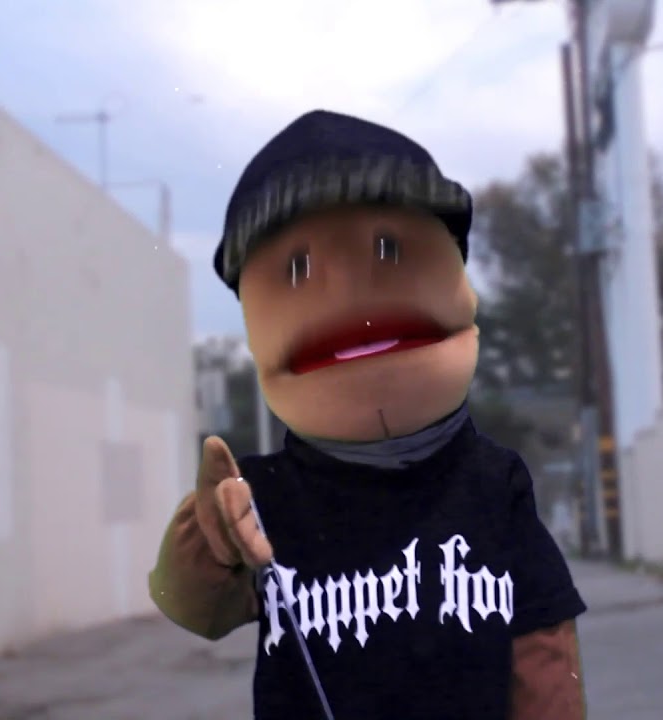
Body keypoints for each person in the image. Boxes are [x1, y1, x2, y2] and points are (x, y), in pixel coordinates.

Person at [149, 109, 587, 719]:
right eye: (297, 268)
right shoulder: (262, 495)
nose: (348, 287)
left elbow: (541, 642)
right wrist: (211, 546)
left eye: (388, 248)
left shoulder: (494, 479)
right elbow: (192, 608)